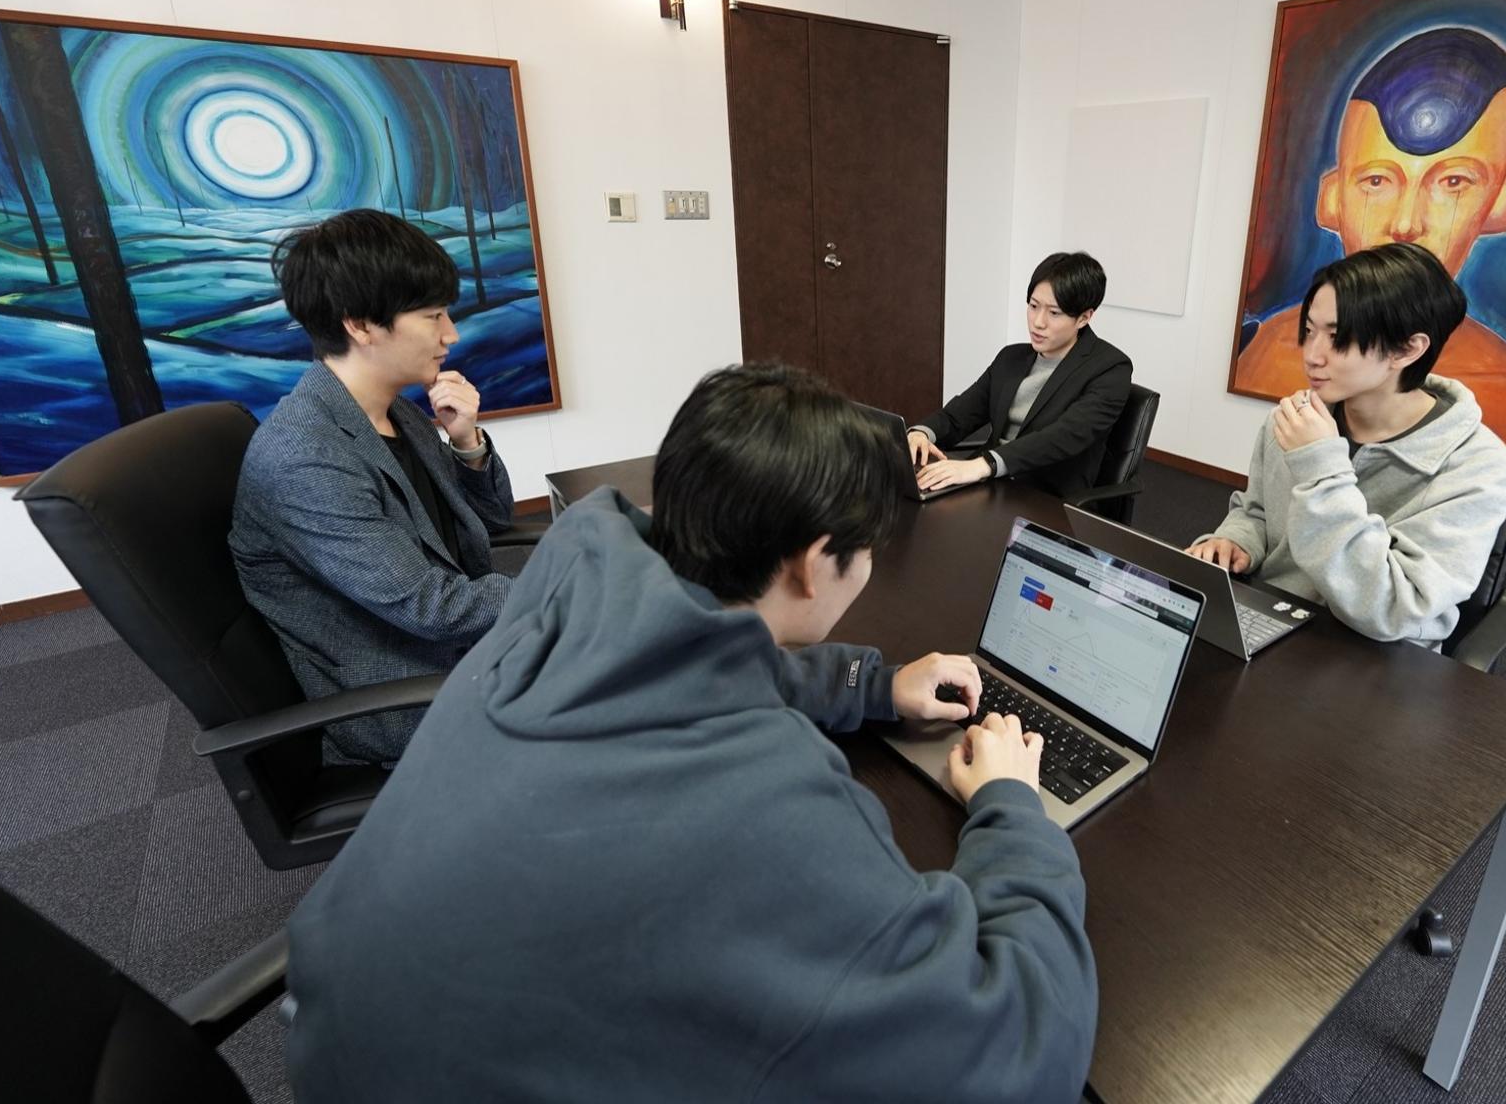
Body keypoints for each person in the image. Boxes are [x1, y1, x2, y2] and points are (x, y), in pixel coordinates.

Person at [284, 363, 1100, 1104]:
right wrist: (1011, 809)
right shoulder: (771, 802)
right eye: (867, 555)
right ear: (814, 563)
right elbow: (1021, 1060)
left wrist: (876, 685)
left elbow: (691, 657)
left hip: (344, 1042)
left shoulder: (572, 586)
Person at [230, 209, 514, 765]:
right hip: (406, 694)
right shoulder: (304, 457)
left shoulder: (396, 413)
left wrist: (466, 442)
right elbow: (429, 607)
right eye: (433, 316)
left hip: (457, 644)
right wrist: (565, 589)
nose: (452, 334)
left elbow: (491, 521)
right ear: (360, 325)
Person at [1232, 27, 1506, 452]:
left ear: (1505, 200)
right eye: (1376, 181)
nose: (1407, 224)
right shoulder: (1254, 351)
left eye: (1453, 182)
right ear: (1331, 198)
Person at [1193, 242, 1506, 646]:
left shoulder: (1475, 465)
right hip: (1275, 618)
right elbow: (1257, 511)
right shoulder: (1295, 420)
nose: (1312, 355)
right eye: (1309, 331)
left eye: (1338, 337)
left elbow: (1393, 607)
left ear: (1408, 349)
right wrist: (1235, 539)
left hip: (1379, 652)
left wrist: (1321, 468)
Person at [911, 251, 1131, 497]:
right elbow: (959, 415)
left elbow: (1062, 437)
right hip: (989, 483)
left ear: (1084, 318)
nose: (1038, 322)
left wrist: (985, 464)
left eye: (1054, 313)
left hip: (1045, 497)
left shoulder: (1110, 368)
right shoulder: (1011, 358)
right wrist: (922, 433)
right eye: (1033, 306)